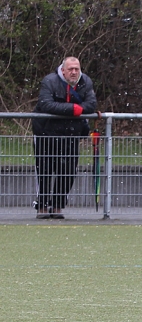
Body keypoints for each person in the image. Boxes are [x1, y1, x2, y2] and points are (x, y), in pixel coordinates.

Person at [32, 56, 97, 220]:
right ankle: (42, 206)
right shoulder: (49, 81)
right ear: (63, 70)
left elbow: (91, 105)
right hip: (46, 133)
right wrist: (73, 109)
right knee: (44, 170)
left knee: (67, 172)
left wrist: (74, 109)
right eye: (70, 69)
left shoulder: (86, 82)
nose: (74, 72)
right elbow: (46, 104)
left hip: (71, 134)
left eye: (77, 69)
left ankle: (58, 206)